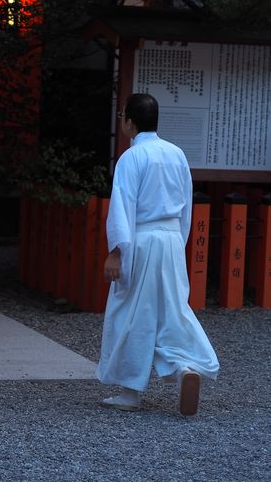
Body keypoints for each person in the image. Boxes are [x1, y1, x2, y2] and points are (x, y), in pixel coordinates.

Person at [96, 93, 219, 416]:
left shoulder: (131, 158)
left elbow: (123, 207)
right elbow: (186, 206)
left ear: (130, 122)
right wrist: (177, 243)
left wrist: (116, 251)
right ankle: (184, 366)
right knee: (170, 311)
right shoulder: (176, 154)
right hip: (169, 239)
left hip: (142, 238)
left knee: (132, 314)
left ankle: (130, 392)